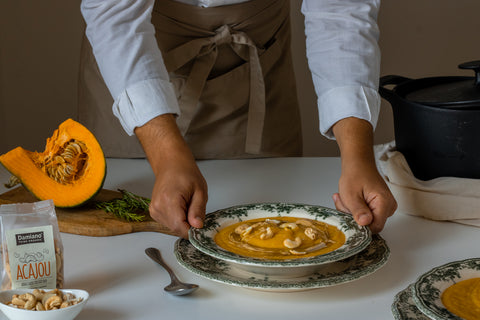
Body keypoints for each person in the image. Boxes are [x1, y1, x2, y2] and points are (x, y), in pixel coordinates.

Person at [79, 0, 397, 239]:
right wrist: (164, 157)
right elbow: (114, 18)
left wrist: (358, 157)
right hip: (134, 66)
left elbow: (339, 13)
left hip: (257, 61)